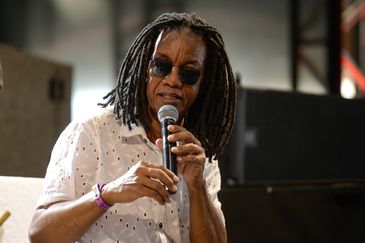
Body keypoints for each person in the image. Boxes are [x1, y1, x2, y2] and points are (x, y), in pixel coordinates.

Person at [29, 12, 236, 243]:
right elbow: (41, 234)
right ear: (145, 68)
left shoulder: (198, 153)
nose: (173, 80)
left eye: (188, 73)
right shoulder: (92, 132)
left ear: (202, 83)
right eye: (162, 66)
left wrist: (197, 187)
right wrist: (107, 194)